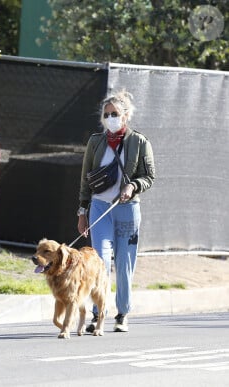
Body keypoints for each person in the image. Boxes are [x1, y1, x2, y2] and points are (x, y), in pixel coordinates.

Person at [77, 90, 155, 333]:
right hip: (100, 207)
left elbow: (149, 176)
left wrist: (133, 185)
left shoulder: (139, 142)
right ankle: (98, 313)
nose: (110, 117)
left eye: (115, 114)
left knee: (124, 263)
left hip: (127, 210)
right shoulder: (95, 142)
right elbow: (85, 179)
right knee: (100, 260)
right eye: (107, 114)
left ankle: (122, 313)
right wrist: (82, 211)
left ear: (126, 115)